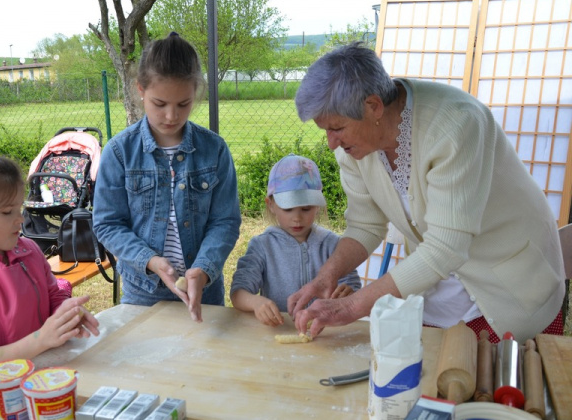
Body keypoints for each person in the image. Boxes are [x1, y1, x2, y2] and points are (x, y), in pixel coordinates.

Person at [289, 42, 566, 344]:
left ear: (373, 106)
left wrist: (351, 307)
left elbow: (446, 246)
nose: (331, 143)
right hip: (442, 279)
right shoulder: (355, 149)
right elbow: (365, 225)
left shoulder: (455, 124)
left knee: (490, 383)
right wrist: (327, 275)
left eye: (337, 128)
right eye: (325, 130)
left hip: (510, 283)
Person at [93, 32, 241, 322]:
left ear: (196, 93)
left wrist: (204, 268)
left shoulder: (215, 150)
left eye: (183, 104)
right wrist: (150, 261)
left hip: (204, 291)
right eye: (160, 104)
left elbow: (225, 221)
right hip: (143, 292)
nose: (171, 115)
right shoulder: (119, 152)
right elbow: (108, 224)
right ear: (140, 90)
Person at [0, 152, 100, 399]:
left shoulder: (28, 250)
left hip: (42, 381)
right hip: (0, 399)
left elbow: (52, 296)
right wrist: (41, 339)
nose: (20, 220)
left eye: (19, 208)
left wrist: (65, 314)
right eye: (6, 212)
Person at [230, 154, 361, 326]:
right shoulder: (262, 246)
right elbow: (238, 293)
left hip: (325, 331)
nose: (297, 218)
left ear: (317, 205)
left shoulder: (333, 244)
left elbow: (352, 288)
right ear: (271, 204)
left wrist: (348, 294)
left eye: (306, 208)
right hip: (279, 329)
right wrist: (256, 303)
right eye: (288, 208)